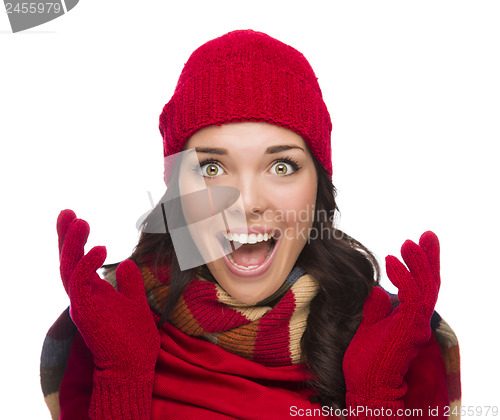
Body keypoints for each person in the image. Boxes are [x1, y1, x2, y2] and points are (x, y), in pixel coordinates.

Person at [40, 30, 461, 419]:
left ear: (319, 188)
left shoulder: (399, 338)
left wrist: (377, 403)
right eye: (210, 167)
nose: (247, 203)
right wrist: (121, 384)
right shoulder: (100, 323)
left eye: (281, 165)